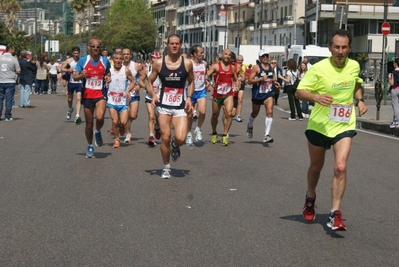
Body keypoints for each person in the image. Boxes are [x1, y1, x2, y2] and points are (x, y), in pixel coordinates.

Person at [295, 29, 367, 231]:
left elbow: (356, 84)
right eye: (337, 47)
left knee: (340, 167)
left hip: (344, 124)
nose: (340, 51)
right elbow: (299, 92)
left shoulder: (354, 65)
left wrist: (359, 101)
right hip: (319, 124)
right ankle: (310, 197)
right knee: (316, 167)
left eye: (344, 47)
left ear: (350, 48)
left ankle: (335, 213)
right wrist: (316, 97)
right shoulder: (318, 69)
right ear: (330, 48)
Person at [146, 34, 194, 179]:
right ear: (167, 45)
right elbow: (149, 82)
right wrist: (154, 95)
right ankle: (166, 166)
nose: (174, 46)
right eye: (171, 43)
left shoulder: (187, 63)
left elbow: (191, 82)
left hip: (180, 105)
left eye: (177, 43)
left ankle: (175, 145)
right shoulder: (159, 63)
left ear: (180, 45)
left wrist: (189, 98)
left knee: (181, 138)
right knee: (165, 137)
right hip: (163, 105)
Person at [73, 38, 111, 158]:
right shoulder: (83, 61)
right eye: (93, 46)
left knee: (99, 117)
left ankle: (98, 131)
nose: (95, 49)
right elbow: (75, 77)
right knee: (89, 123)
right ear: (89, 47)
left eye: (98, 47)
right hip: (87, 95)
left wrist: (108, 77)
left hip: (100, 94)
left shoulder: (105, 61)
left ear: (100, 48)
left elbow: (108, 73)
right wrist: (81, 75)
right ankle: (90, 145)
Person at [206, 48, 239, 146]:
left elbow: (236, 78)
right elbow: (206, 75)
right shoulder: (216, 66)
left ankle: (225, 135)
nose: (227, 56)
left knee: (229, 114)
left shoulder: (232, 68)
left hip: (228, 94)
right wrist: (208, 84)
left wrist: (237, 86)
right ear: (222, 55)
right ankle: (214, 132)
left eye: (229, 55)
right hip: (217, 94)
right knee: (215, 115)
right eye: (226, 54)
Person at [246, 49, 279, 143]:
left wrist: (274, 82)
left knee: (270, 111)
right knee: (255, 113)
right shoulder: (256, 68)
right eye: (263, 56)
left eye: (267, 56)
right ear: (259, 58)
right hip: (258, 93)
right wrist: (260, 79)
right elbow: (249, 80)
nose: (265, 58)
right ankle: (250, 124)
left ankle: (266, 135)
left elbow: (271, 78)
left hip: (268, 93)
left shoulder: (271, 67)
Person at [107, 51, 136, 148]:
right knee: (115, 121)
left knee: (123, 122)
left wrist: (128, 90)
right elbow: (104, 80)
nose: (118, 61)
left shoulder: (126, 70)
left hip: (123, 100)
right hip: (111, 99)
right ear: (113, 60)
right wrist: (106, 83)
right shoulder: (109, 70)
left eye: (120, 59)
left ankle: (121, 127)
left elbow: (133, 81)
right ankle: (116, 139)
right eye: (116, 59)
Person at [185, 45, 211, 146]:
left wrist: (206, 81)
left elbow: (204, 75)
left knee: (203, 111)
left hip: (201, 90)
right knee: (190, 115)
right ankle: (188, 134)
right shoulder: (188, 63)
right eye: (201, 53)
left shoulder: (204, 63)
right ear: (194, 54)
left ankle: (198, 129)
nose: (203, 54)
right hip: (190, 92)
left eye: (203, 52)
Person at [122, 48, 147, 143]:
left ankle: (125, 124)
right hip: (123, 95)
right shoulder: (119, 66)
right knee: (127, 114)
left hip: (134, 93)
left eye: (128, 54)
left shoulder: (136, 66)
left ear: (131, 55)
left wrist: (139, 86)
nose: (126, 56)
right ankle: (128, 133)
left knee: (133, 115)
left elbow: (142, 77)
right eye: (124, 54)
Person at [145, 52, 162, 147]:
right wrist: (144, 86)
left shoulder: (163, 70)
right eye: (155, 58)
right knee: (151, 116)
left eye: (158, 57)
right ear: (151, 59)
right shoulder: (147, 69)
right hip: (149, 97)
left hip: (160, 97)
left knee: (159, 118)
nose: (157, 59)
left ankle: (157, 128)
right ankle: (151, 136)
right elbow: (141, 80)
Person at [62, 46, 83, 124]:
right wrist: (68, 70)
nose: (76, 55)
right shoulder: (69, 60)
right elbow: (62, 69)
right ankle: (70, 109)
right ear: (72, 53)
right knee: (70, 99)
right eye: (75, 53)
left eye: (77, 53)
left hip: (79, 82)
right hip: (71, 82)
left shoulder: (82, 60)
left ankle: (77, 115)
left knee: (78, 98)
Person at [0, 45, 20, 121]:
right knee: (9, 99)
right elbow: (18, 70)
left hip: (1, 80)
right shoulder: (14, 59)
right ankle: (7, 116)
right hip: (10, 80)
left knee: (0, 98)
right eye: (13, 49)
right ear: (11, 49)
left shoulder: (0, 57)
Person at [388, 58, 399, 128]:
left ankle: (397, 121)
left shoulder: (393, 72)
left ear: (395, 64)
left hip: (395, 89)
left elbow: (392, 83)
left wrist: (389, 78)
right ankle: (395, 120)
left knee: (395, 106)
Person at [235, 55, 246, 122]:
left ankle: (238, 115)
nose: (240, 61)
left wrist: (243, 79)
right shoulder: (234, 66)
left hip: (241, 84)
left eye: (241, 60)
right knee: (233, 99)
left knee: (240, 100)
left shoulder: (244, 67)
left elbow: (245, 75)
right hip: (234, 84)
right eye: (239, 60)